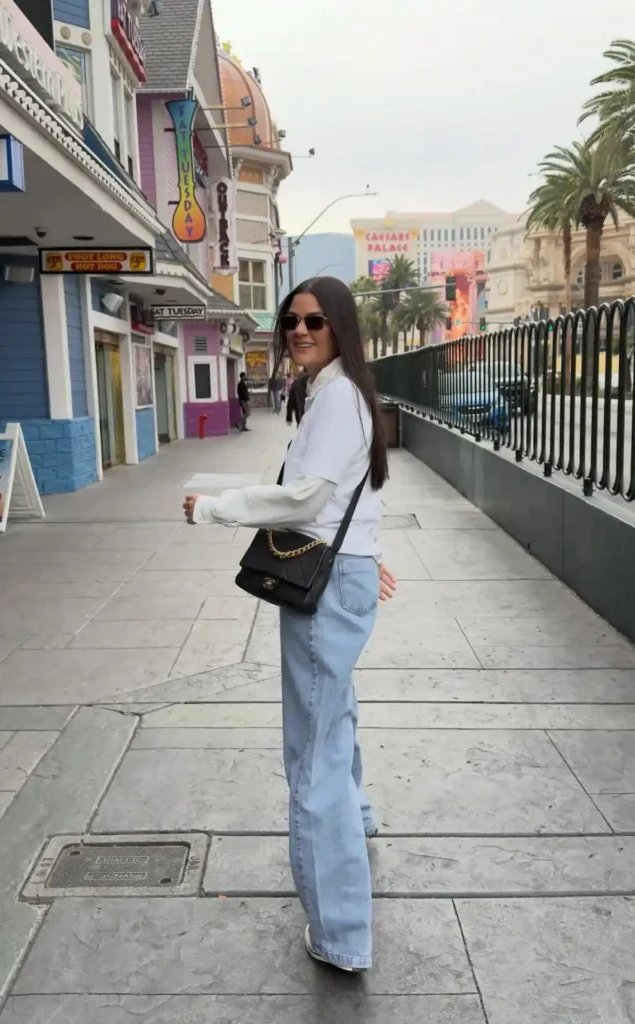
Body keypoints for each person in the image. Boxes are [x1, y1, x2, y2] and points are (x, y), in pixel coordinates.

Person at [184, 277, 397, 973]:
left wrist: (218, 506)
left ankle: (339, 932)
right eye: (291, 320)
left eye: (315, 320)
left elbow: (306, 498)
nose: (299, 330)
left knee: (314, 757)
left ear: (341, 326)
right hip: (346, 573)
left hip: (329, 584)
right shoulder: (345, 392)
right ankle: (359, 818)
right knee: (335, 714)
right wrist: (365, 556)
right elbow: (347, 498)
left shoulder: (337, 396)